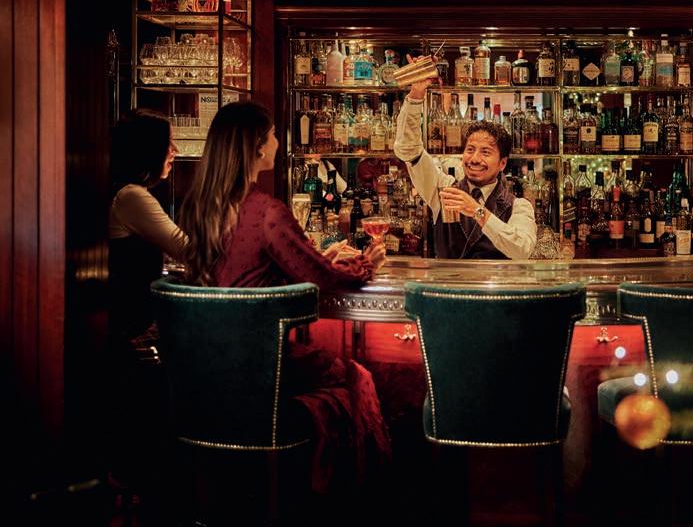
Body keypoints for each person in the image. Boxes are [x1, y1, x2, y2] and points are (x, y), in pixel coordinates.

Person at [177, 101, 390, 496]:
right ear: (258, 146)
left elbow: (248, 270)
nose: (279, 142)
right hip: (260, 366)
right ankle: (355, 498)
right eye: (274, 135)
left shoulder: (199, 206)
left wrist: (317, 260)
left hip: (204, 370)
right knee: (357, 375)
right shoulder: (266, 211)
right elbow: (322, 279)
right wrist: (366, 265)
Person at [393, 69, 536, 259]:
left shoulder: (518, 206)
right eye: (470, 149)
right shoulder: (443, 189)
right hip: (448, 278)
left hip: (497, 279)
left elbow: (522, 250)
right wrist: (416, 95)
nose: (474, 158)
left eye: (485, 152)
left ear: (502, 163)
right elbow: (409, 149)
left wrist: (477, 211)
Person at [108, 109, 189, 342]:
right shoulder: (131, 196)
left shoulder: (128, 192)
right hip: (130, 329)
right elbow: (187, 249)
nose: (175, 150)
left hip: (130, 323)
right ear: (148, 149)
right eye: (168, 142)